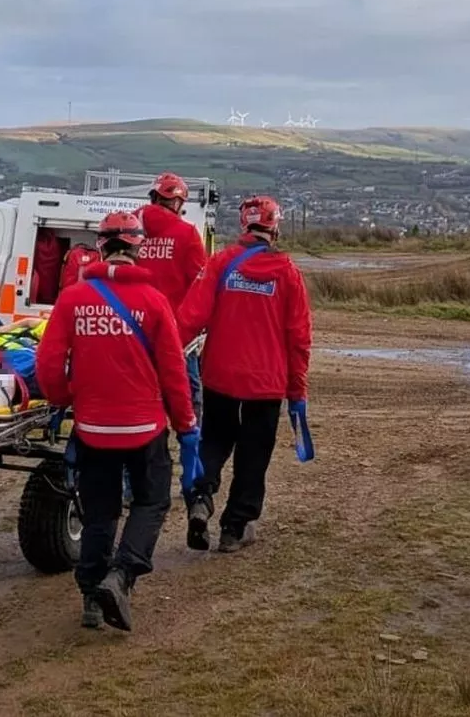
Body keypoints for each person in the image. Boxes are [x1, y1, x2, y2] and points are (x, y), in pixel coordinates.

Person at [35, 211, 199, 633]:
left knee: (100, 513)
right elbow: (174, 374)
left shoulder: (74, 297)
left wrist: (63, 400)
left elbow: (49, 363)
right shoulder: (155, 301)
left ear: (102, 245)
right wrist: (185, 424)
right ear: (138, 247)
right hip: (145, 428)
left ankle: (92, 595)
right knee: (152, 501)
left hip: (92, 427)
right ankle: (122, 575)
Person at [176, 195, 312, 554]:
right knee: (253, 455)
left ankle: (201, 498)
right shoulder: (288, 274)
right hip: (266, 384)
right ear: (275, 226)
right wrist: (297, 392)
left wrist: (162, 356)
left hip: (220, 376)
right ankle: (235, 528)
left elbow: (190, 317)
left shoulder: (221, 262)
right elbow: (299, 339)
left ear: (244, 224)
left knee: (214, 441)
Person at [135, 172, 208, 421]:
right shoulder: (186, 234)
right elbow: (201, 284)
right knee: (189, 393)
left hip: (131, 330)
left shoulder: (130, 226)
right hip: (175, 333)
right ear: (177, 202)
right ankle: (190, 440)